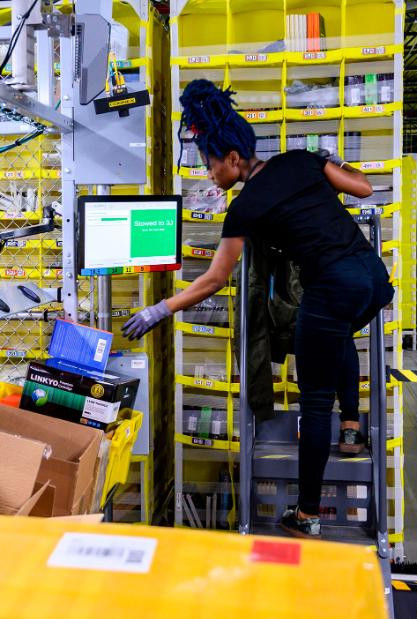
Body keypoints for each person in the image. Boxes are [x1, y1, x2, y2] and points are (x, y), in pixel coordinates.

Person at [122, 79, 394, 538]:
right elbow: (363, 188)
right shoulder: (301, 160)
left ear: (233, 158)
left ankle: (307, 515)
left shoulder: (245, 207)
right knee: (336, 336)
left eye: (210, 163)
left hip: (330, 287)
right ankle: (351, 424)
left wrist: (159, 310)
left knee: (314, 400)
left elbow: (214, 279)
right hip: (372, 279)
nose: (209, 174)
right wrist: (332, 162)